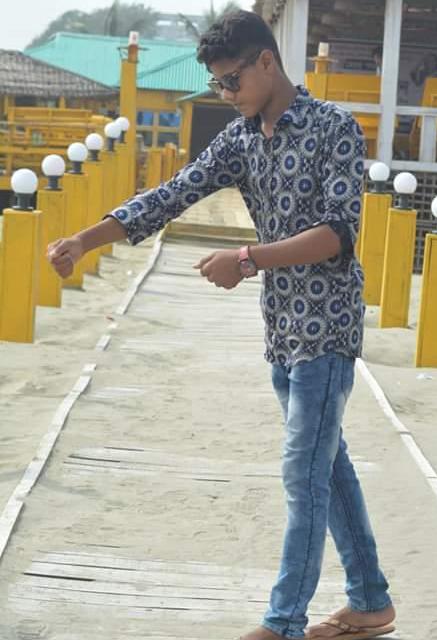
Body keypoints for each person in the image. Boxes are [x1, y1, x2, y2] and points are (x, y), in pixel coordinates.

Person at [47, 10, 396, 640]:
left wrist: (247, 259)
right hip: (281, 327)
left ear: (267, 61)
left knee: (303, 473)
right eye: (217, 85)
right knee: (327, 465)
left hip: (327, 324)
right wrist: (85, 239)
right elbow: (170, 196)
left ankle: (282, 623)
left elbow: (338, 234)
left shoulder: (334, 127)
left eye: (232, 80)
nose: (227, 94)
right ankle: (370, 600)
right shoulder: (240, 139)